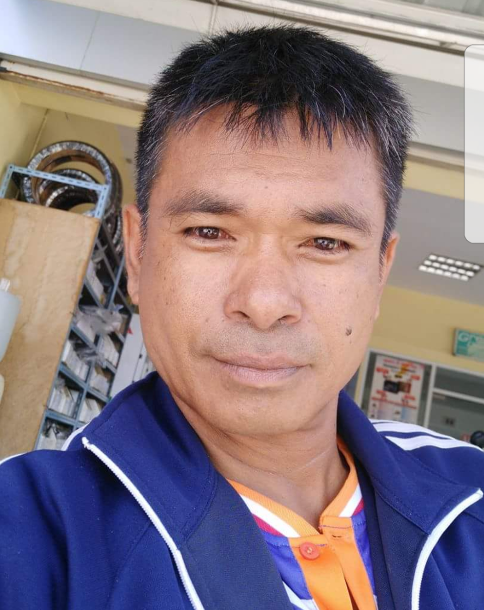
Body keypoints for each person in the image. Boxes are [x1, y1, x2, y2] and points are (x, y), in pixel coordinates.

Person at [1, 24, 483, 610]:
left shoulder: (470, 492)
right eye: (209, 232)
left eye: (325, 242)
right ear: (138, 252)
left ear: (380, 272)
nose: (264, 302)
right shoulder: (36, 532)